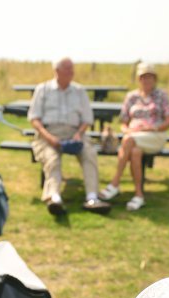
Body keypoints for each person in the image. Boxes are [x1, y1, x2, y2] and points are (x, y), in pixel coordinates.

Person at [28, 58, 111, 215]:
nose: (71, 73)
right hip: (48, 133)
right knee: (52, 158)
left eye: (72, 69)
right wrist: (49, 137)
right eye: (67, 69)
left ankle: (92, 197)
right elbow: (34, 118)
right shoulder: (43, 89)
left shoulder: (79, 91)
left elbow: (87, 119)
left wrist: (78, 134)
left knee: (89, 153)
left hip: (75, 133)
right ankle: (54, 198)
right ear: (57, 71)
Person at [99, 62, 169, 211]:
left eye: (149, 77)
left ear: (155, 79)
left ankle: (115, 183)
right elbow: (124, 122)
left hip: (155, 135)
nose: (146, 80)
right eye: (143, 77)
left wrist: (151, 127)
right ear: (138, 79)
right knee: (134, 152)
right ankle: (139, 196)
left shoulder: (162, 96)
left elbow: (168, 122)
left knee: (128, 140)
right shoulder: (131, 97)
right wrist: (127, 130)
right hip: (134, 137)